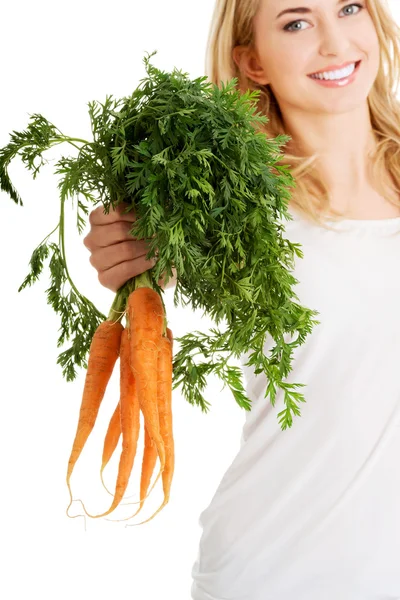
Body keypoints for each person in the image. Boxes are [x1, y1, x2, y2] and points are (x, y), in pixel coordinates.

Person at [83, 0, 400, 597]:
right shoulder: (228, 203)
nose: (335, 43)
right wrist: (122, 247)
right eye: (297, 22)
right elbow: (140, 248)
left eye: (350, 7)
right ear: (252, 62)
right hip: (275, 571)